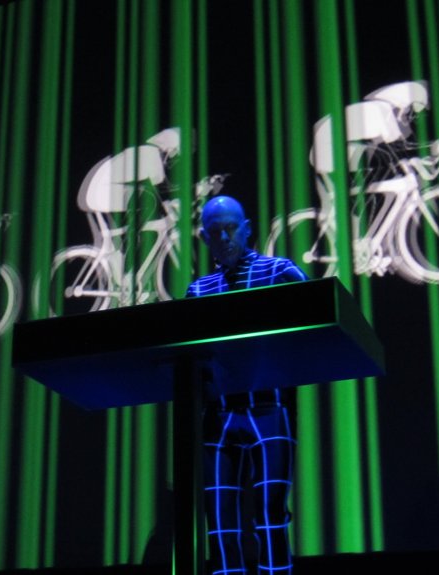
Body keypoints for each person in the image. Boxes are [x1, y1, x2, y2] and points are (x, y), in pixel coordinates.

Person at [185, 196, 307, 575]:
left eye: (230, 228)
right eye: (215, 231)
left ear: (247, 228)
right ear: (204, 237)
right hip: (218, 413)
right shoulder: (199, 291)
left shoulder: (279, 272)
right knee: (220, 521)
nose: (224, 237)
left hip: (268, 408)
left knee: (271, 514)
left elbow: (318, 319)